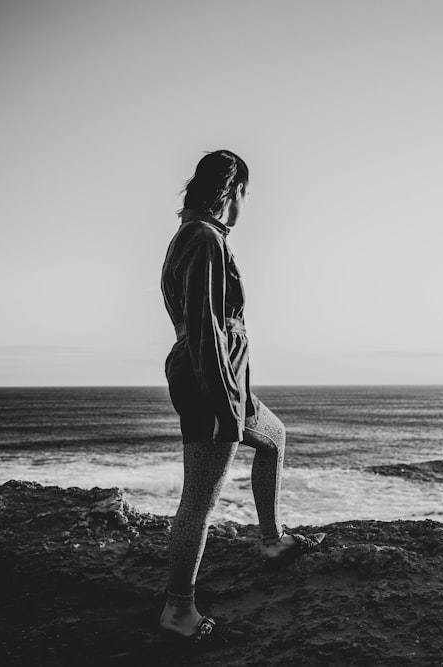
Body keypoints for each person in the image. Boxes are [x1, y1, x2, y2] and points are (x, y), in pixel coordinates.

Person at [159, 150, 325, 648]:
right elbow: (208, 328)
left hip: (222, 378)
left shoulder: (188, 238)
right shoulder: (205, 239)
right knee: (200, 501)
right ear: (230, 193)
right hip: (212, 383)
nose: (244, 206)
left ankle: (272, 541)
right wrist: (226, 403)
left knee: (273, 436)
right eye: (244, 195)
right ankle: (178, 609)